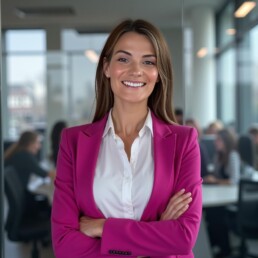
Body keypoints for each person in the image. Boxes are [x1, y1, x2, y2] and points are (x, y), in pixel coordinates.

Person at [51, 19, 202, 258]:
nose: (136, 70)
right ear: (107, 67)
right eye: (123, 59)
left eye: (148, 62)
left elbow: (183, 237)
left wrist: (103, 227)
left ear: (158, 73)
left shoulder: (183, 141)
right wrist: (154, 236)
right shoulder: (73, 142)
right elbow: (64, 244)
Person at [203, 128, 240, 258]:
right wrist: (210, 178)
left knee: (216, 214)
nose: (215, 142)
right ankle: (218, 245)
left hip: (231, 199)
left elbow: (234, 180)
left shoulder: (232, 155)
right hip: (221, 194)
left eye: (218, 140)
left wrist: (216, 180)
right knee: (212, 213)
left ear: (225, 141)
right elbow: (215, 174)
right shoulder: (218, 155)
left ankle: (224, 248)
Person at [4, 130, 56, 218]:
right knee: (51, 203)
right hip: (26, 202)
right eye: (37, 142)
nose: (39, 146)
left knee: (47, 197)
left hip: (22, 200)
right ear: (30, 143)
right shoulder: (25, 156)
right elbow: (45, 174)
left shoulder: (19, 154)